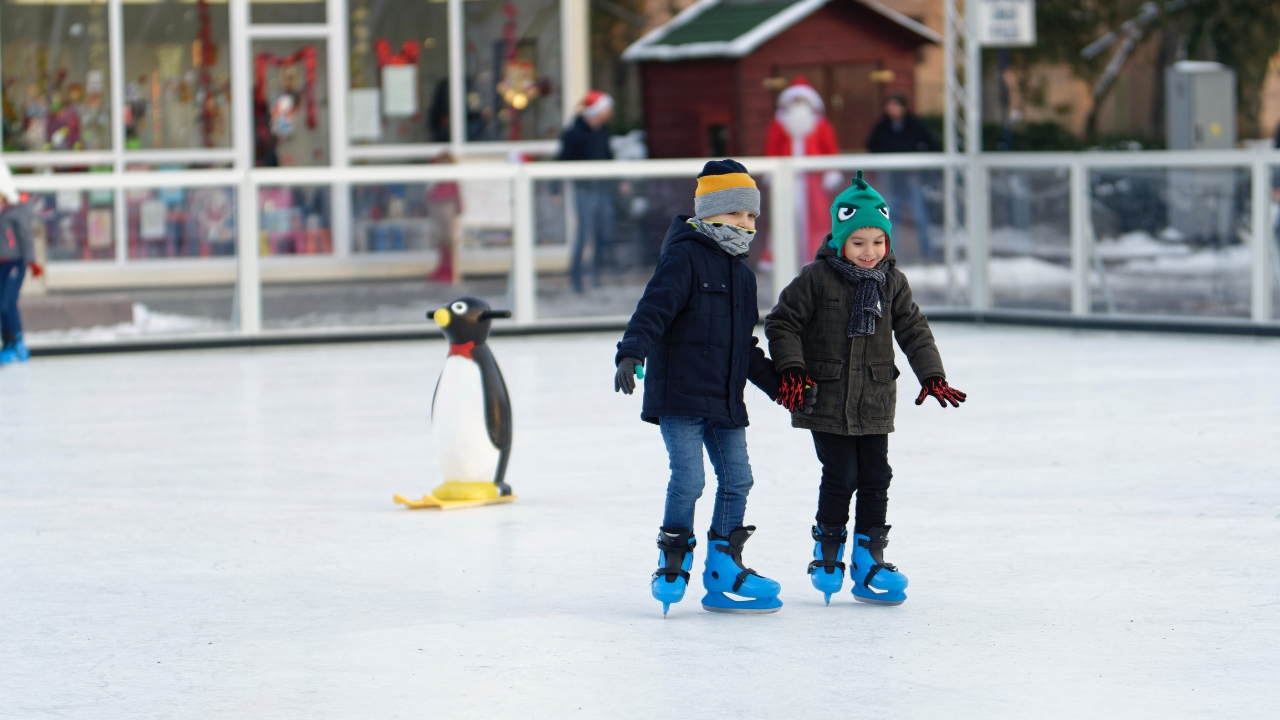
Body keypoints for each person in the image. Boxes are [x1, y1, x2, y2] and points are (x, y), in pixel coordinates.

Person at [765, 171, 966, 607]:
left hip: (874, 397)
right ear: (840, 240)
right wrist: (793, 370)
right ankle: (828, 549)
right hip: (825, 396)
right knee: (842, 475)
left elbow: (913, 329)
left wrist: (931, 374)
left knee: (877, 475)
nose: (869, 251)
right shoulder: (816, 278)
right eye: (858, 242)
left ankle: (869, 557)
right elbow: (782, 322)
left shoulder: (892, 282)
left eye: (877, 241)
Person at [613, 159, 784, 616]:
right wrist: (631, 352)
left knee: (738, 478)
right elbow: (654, 309)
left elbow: (745, 346)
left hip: (724, 398)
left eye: (751, 216)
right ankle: (673, 558)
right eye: (735, 213)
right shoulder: (684, 257)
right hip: (681, 395)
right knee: (689, 479)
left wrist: (781, 388)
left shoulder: (744, 276)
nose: (745, 224)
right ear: (708, 212)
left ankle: (724, 566)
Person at [763, 76, 844, 262]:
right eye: (795, 100)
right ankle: (780, 258)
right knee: (784, 215)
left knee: (817, 217)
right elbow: (771, 148)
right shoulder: (779, 124)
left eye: (802, 100)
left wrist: (831, 171)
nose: (799, 104)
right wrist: (771, 171)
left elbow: (830, 148)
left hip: (813, 179)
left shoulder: (821, 124)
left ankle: (818, 254)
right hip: (786, 178)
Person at [865, 92, 941, 260]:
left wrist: (919, 162)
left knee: (919, 214)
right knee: (890, 216)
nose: (893, 109)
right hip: (891, 179)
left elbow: (931, 144)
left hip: (911, 178)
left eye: (896, 105)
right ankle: (891, 252)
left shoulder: (914, 125)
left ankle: (927, 251)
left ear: (904, 107)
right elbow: (871, 146)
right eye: (890, 105)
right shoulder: (882, 126)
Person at [557, 90, 615, 293]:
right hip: (584, 189)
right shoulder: (574, 133)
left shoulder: (604, 131)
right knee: (583, 233)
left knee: (603, 232)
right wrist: (555, 189)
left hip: (602, 189)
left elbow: (609, 158)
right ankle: (577, 278)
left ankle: (595, 274)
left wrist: (619, 182)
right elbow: (562, 160)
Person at [0, 162, 41, 364]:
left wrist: (31, 261)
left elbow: (25, 235)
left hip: (14, 263)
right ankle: (7, 342)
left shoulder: (16, 210)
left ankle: (17, 342)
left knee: (7, 302)